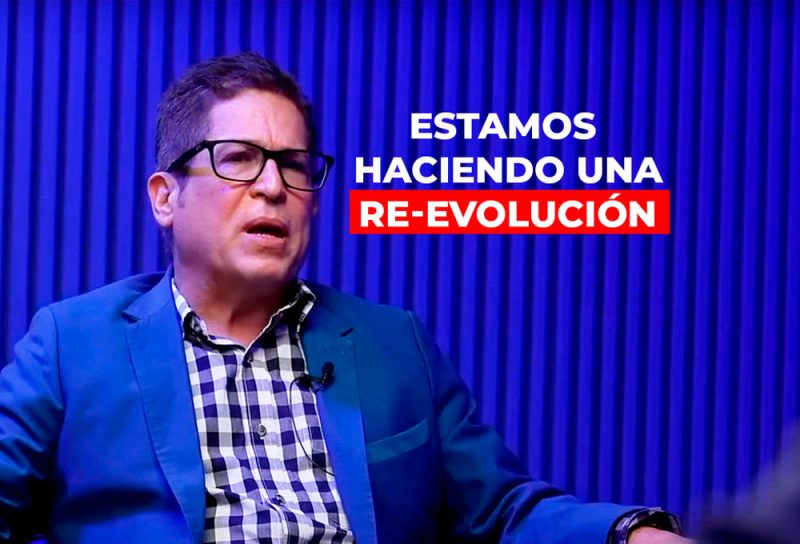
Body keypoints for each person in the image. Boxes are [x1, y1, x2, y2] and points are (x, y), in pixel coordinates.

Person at [0, 52, 690, 544]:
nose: (273, 187)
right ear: (165, 197)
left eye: (294, 166)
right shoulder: (72, 345)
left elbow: (501, 511)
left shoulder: (394, 344)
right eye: (238, 159)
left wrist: (629, 535)